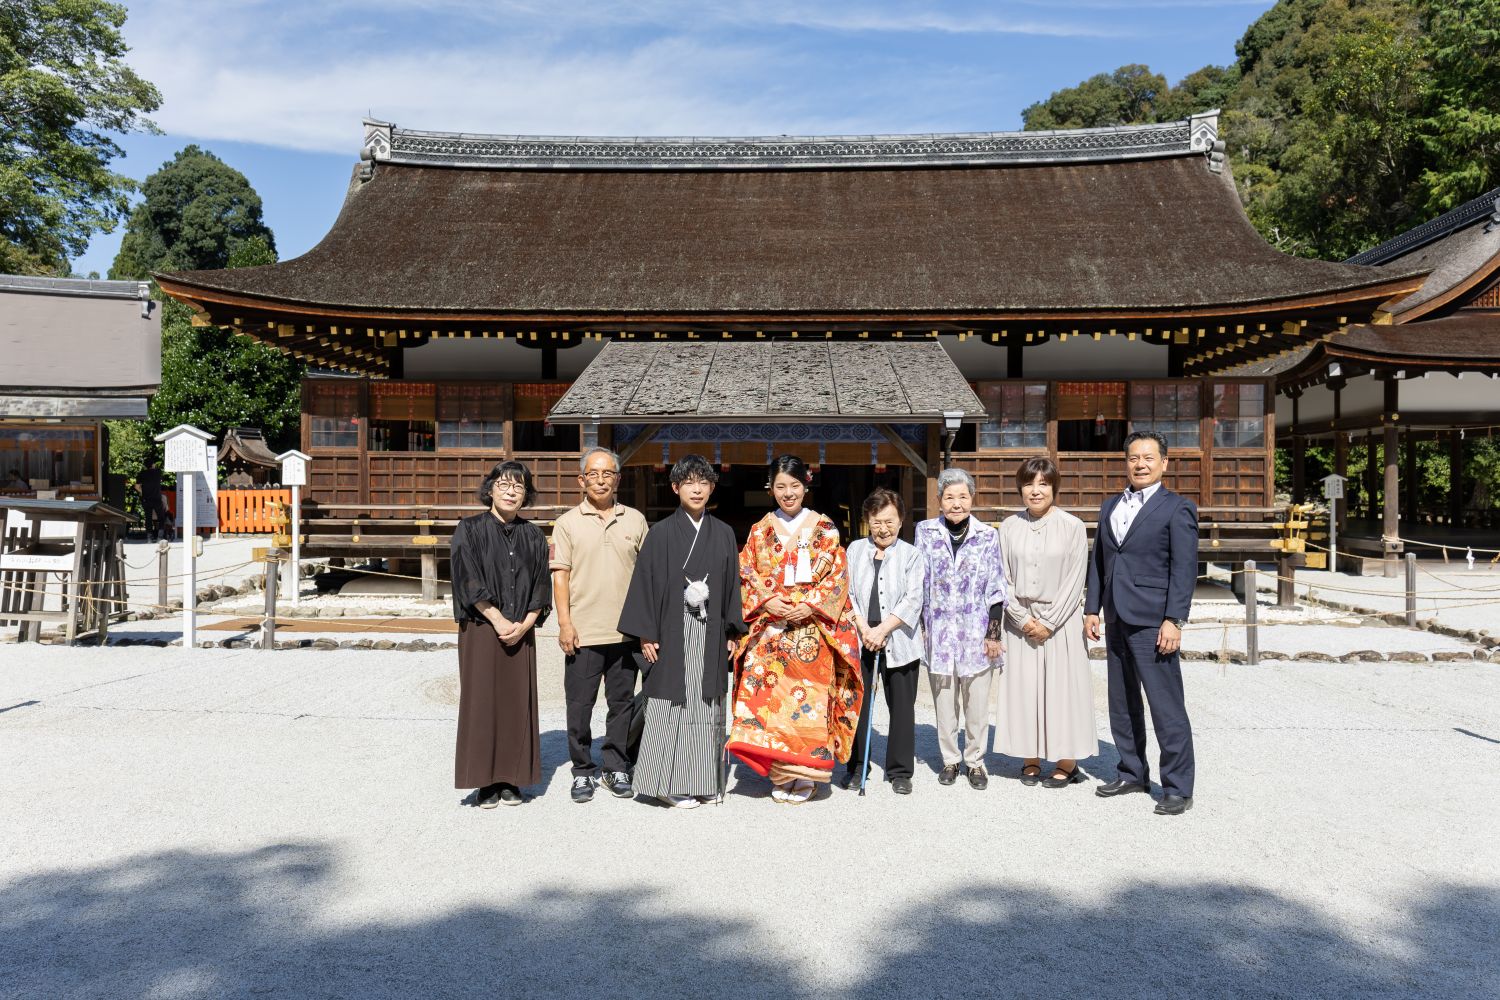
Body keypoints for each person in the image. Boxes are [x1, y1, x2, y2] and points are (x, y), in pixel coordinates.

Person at [727, 455, 863, 805]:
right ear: (770, 488)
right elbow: (746, 572)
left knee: (809, 702)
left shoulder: (825, 527)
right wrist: (766, 601)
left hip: (811, 631)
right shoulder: (760, 529)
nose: (788, 493)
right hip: (771, 628)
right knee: (770, 703)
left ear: (807, 484)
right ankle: (780, 772)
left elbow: (837, 575)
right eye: (780, 486)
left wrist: (813, 604)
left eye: (795, 486)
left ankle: (806, 774)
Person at [618, 455, 746, 809]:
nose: (697, 488)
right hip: (670, 630)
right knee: (667, 703)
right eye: (689, 482)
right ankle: (661, 783)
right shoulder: (659, 534)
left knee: (705, 705)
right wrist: (645, 633)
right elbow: (644, 583)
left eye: (703, 482)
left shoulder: (721, 533)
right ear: (675, 488)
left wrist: (733, 630)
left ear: (711, 488)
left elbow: (733, 585)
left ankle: (701, 780)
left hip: (710, 630)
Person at [1084, 431, 1199, 816]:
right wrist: (1092, 608)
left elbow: (1184, 569)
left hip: (1154, 621)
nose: (1141, 464)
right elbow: (1099, 560)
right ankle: (1132, 770)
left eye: (1149, 458)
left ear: (1164, 463)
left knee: (1165, 706)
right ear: (1126, 462)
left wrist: (1174, 619)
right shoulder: (1110, 506)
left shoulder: (1176, 508)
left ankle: (1178, 785)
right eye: (1134, 457)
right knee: (1122, 702)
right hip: (1116, 616)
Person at [449, 461, 551, 808]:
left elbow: (541, 584)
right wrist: (496, 618)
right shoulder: (470, 529)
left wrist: (524, 623)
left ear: (526, 495)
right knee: (482, 703)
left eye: (519, 487)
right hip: (481, 628)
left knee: (516, 704)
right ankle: (484, 782)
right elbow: (467, 578)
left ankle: (512, 779)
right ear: (490, 489)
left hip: (521, 629)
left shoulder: (534, 535)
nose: (511, 491)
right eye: (504, 485)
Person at [551, 446, 648, 804]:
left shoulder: (635, 520)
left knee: (621, 704)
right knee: (579, 706)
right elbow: (560, 576)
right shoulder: (567, 523)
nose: (600, 479)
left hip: (625, 632)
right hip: (583, 632)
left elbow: (648, 576)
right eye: (593, 473)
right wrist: (564, 623)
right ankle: (582, 770)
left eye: (608, 473)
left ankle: (615, 765)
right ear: (582, 480)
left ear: (618, 480)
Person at [995, 457, 1096, 788]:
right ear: (1020, 489)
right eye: (1028, 484)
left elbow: (1074, 579)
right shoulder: (1008, 527)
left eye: (1042, 484)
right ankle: (1030, 757)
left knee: (1062, 689)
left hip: (1060, 622)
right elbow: (1002, 579)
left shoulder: (1072, 526)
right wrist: (1023, 619)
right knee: (1025, 689)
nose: (1035, 491)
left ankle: (1067, 760)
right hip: (1019, 619)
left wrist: (1048, 622)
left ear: (1054, 487)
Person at [917, 467, 1006, 790]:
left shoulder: (987, 536)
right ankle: (950, 760)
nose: (956, 503)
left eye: (963, 496)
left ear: (972, 499)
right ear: (939, 500)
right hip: (939, 633)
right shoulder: (925, 532)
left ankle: (976, 761)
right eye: (949, 497)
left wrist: (993, 634)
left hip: (976, 633)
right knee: (944, 702)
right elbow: (920, 584)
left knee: (977, 704)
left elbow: (996, 587)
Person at [843, 487, 926, 795]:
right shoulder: (854, 550)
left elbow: (913, 598)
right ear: (868, 520)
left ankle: (900, 771)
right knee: (858, 705)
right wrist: (865, 628)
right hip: (861, 635)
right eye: (877, 521)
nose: (883, 528)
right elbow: (846, 594)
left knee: (902, 707)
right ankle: (856, 767)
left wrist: (883, 630)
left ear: (901, 520)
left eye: (890, 521)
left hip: (899, 638)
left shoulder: (911, 554)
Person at [138, 462, 174, 542]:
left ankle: (149, 538)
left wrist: (143, 492)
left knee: (148, 518)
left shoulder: (142, 473)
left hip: (146, 499)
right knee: (161, 518)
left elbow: (137, 486)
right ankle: (160, 537)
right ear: (153, 465)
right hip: (157, 498)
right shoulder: (158, 472)